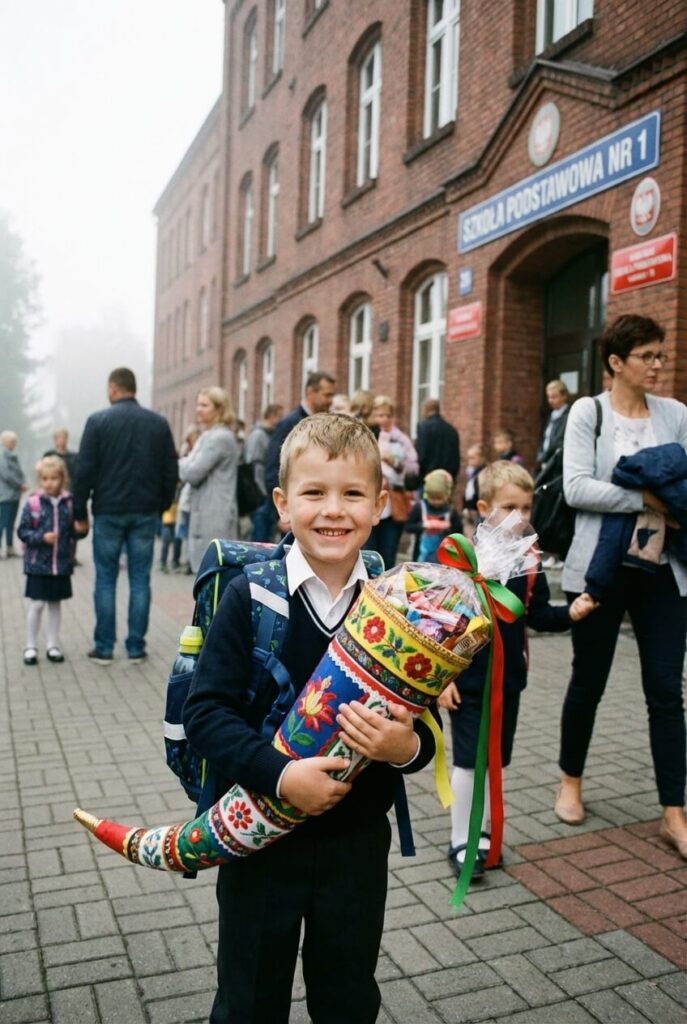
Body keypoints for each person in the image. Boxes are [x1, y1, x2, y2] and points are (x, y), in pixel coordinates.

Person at [182, 413, 439, 1023]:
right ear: (282, 503)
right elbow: (207, 714)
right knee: (249, 1000)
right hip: (260, 842)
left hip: (356, 844)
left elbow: (423, 730)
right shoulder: (252, 597)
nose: (333, 511)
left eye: (352, 494)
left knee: (348, 996)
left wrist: (403, 748)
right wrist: (278, 775)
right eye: (314, 493)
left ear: (380, 504)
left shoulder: (399, 604)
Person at [555, 314, 687, 859]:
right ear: (616, 362)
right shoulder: (588, 412)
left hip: (663, 570)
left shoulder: (676, 414)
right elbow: (576, 487)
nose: (658, 364)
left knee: (665, 689)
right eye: (647, 356)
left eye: (660, 355)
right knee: (590, 679)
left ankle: (674, 813)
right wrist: (647, 499)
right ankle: (570, 781)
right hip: (600, 568)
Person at [438, 461, 592, 877]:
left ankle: (482, 832)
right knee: (469, 761)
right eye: (510, 507)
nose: (521, 518)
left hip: (509, 683)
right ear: (485, 508)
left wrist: (571, 613)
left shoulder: (530, 561)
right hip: (467, 683)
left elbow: (537, 614)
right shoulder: (461, 557)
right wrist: (441, 681)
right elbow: (439, 622)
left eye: (527, 508)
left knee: (494, 761)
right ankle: (461, 839)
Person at [73, 367, 178, 665]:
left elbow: (84, 471)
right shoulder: (158, 423)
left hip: (107, 511)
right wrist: (161, 505)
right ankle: (136, 648)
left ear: (113, 388)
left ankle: (104, 648)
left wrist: (79, 512)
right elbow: (171, 470)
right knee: (140, 579)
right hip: (145, 512)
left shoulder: (97, 421)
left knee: (105, 580)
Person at [17, 456, 87, 665]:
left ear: (62, 479)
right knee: (37, 605)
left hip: (61, 564)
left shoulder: (69, 502)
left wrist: (78, 530)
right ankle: (30, 645)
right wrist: (41, 538)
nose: (49, 483)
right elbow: (22, 531)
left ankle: (52, 645)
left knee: (55, 605)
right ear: (40, 480)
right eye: (45, 479)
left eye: (54, 478)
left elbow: (74, 532)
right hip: (38, 565)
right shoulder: (33, 503)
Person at [262, 371, 336, 536]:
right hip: (296, 512)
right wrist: (284, 511)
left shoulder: (330, 422)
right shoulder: (288, 424)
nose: (330, 401)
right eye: (327, 395)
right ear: (310, 392)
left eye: (332, 395)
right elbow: (273, 469)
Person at [178, 386, 240, 573]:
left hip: (215, 514)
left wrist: (181, 461)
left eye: (204, 405)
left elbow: (192, 473)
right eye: (198, 404)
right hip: (205, 510)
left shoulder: (219, 438)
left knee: (212, 573)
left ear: (219, 409)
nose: (198, 409)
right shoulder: (209, 436)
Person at [366, 395, 419, 570]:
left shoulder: (401, 439)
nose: (384, 419)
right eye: (380, 415)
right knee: (368, 552)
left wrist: (395, 464)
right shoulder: (367, 435)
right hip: (369, 500)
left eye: (388, 415)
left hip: (393, 500)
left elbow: (413, 468)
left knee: (388, 553)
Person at [245, 403, 284, 542]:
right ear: (271, 416)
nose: (281, 420)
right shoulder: (258, 435)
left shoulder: (269, 435)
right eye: (279, 416)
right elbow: (254, 466)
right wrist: (262, 491)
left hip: (266, 494)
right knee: (260, 536)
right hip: (261, 495)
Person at [405, 469, 461, 562]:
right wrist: (422, 526)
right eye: (432, 498)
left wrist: (448, 528)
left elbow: (459, 532)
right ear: (426, 494)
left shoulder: (450, 511)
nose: (435, 502)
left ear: (447, 495)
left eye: (439, 499)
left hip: (442, 559)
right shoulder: (420, 507)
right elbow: (408, 527)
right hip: (421, 557)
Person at [415, 398, 461, 483]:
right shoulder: (451, 430)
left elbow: (421, 455)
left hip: (429, 478)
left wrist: (420, 478)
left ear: (426, 409)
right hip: (448, 479)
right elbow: (456, 458)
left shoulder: (424, 428)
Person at [0, 430, 26, 557]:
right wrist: (19, 484)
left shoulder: (12, 454)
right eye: (12, 441)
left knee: (11, 524)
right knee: (2, 523)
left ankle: (10, 548)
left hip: (14, 495)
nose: (14, 444)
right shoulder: (1, 455)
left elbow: (19, 472)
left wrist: (23, 482)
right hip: (4, 495)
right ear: (4, 441)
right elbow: (6, 474)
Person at [536, 380, 571, 471]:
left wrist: (544, 456)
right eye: (549, 397)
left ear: (564, 396)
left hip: (558, 462)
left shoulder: (569, 415)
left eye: (554, 397)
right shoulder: (552, 415)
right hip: (546, 460)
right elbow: (545, 438)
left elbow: (558, 441)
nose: (551, 400)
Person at [462, 443, 486, 536]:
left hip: (477, 508)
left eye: (473, 458)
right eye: (469, 458)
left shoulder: (482, 474)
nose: (470, 461)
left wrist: (470, 506)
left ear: (481, 458)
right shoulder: (472, 472)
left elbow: (478, 492)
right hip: (471, 508)